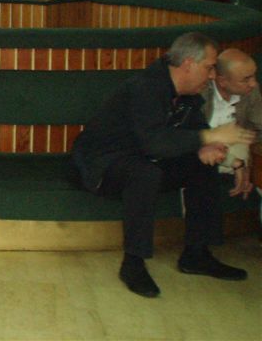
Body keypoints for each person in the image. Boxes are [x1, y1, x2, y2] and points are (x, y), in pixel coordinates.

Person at [71, 32, 256, 298]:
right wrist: (207, 137)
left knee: (200, 164)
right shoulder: (146, 87)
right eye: (209, 67)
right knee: (144, 173)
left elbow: (192, 130)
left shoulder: (188, 92)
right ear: (189, 64)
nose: (212, 75)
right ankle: (133, 263)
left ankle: (196, 253)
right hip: (102, 166)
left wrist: (209, 148)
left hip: (145, 158)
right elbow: (154, 143)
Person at [203, 48, 261, 213]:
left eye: (254, 76)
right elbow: (191, 141)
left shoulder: (250, 91)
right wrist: (234, 162)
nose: (254, 83)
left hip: (239, 146)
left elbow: (259, 126)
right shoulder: (201, 93)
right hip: (203, 150)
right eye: (246, 79)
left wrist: (252, 163)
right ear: (222, 81)